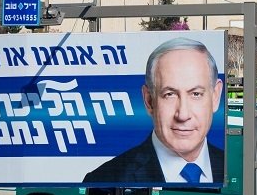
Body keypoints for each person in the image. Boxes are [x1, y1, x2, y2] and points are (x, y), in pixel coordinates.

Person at [84, 37, 224, 184]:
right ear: (149, 100)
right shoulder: (105, 180)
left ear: (215, 96)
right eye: (169, 95)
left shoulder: (239, 172)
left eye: (196, 94)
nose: (183, 114)